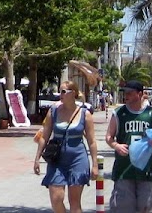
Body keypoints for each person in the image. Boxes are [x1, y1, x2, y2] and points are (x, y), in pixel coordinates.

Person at [33, 80, 98, 213]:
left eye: (63, 91)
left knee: (74, 203)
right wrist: (37, 158)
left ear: (72, 93)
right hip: (57, 159)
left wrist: (95, 164)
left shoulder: (85, 114)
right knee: (56, 198)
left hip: (78, 159)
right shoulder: (54, 111)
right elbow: (44, 136)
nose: (60, 95)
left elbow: (92, 141)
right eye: (60, 91)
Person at [105, 80, 152, 213]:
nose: (126, 96)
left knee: (145, 206)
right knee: (123, 207)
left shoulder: (151, 114)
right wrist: (116, 146)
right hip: (124, 169)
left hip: (145, 170)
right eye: (125, 93)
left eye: (130, 93)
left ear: (140, 94)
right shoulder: (119, 113)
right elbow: (109, 137)